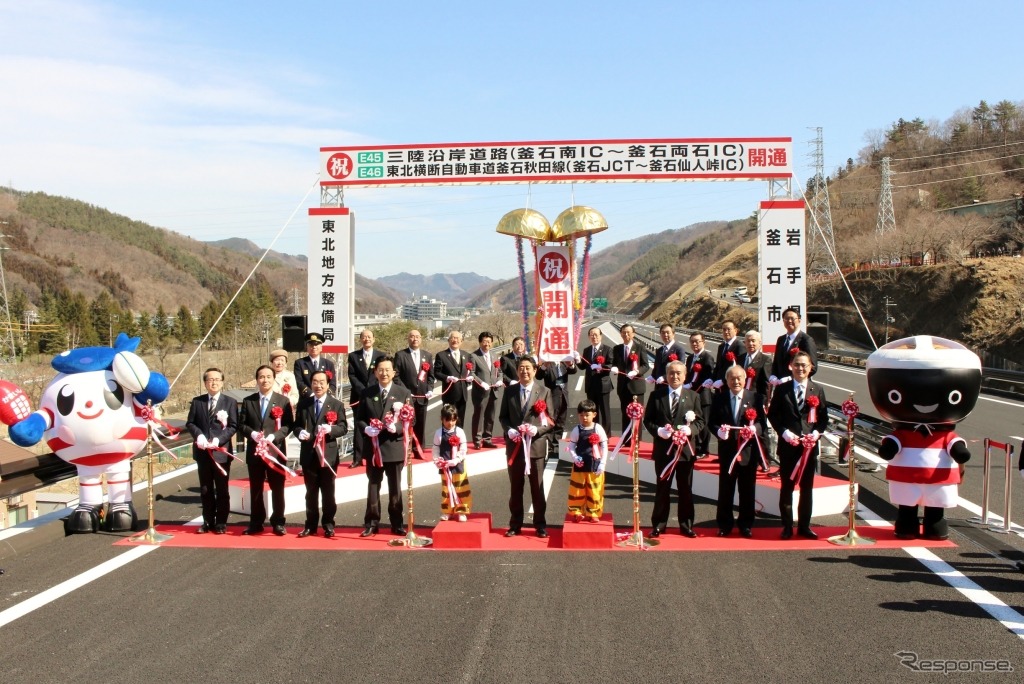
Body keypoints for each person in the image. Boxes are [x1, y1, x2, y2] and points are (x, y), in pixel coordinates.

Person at [768, 351, 828, 539]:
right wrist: (784, 433)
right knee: (787, 487)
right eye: (797, 365)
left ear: (811, 368)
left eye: (804, 365)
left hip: (808, 448)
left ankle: (804, 526)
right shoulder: (782, 389)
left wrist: (816, 434)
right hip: (788, 446)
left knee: (807, 488)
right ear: (790, 366)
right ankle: (787, 526)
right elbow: (773, 415)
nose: (800, 368)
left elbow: (823, 418)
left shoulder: (817, 390)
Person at [644, 360, 704, 538]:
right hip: (664, 450)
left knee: (685, 489)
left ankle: (686, 525)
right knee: (662, 488)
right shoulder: (657, 396)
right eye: (671, 373)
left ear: (685, 376)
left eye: (678, 373)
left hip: (685, 452)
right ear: (666, 375)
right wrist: (658, 431)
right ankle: (659, 525)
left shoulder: (693, 396)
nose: (675, 376)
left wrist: (690, 430)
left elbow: (700, 421)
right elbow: (648, 420)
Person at [355, 356, 413, 537]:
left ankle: (397, 523)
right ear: (375, 372)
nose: (384, 373)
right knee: (373, 486)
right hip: (373, 447)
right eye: (380, 370)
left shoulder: (403, 393)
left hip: (393, 446)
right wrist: (367, 429)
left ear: (394, 372)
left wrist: (395, 428)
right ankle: (372, 522)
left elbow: (412, 420)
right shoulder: (366, 392)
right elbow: (360, 419)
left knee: (395, 487)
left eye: (388, 370)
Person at [498, 356, 553, 538]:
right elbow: (503, 417)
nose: (525, 371)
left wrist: (535, 429)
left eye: (528, 368)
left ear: (535, 370)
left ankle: (540, 524)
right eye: (521, 368)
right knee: (516, 488)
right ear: (517, 370)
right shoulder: (510, 391)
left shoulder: (544, 391)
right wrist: (509, 431)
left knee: (537, 488)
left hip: (535, 447)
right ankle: (515, 524)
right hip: (514, 447)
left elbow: (550, 420)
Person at [709, 365, 766, 538]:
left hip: (748, 452)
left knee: (747, 489)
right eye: (732, 378)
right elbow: (712, 422)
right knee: (726, 489)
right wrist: (719, 431)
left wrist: (754, 429)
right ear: (726, 380)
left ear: (745, 379)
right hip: (727, 451)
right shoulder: (719, 398)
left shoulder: (755, 398)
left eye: (739, 378)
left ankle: (746, 524)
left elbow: (762, 423)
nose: (736, 381)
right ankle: (724, 524)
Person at [239, 365, 295, 536]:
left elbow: (288, 425)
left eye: (269, 377)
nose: (265, 380)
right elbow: (241, 425)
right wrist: (253, 434)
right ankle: (256, 522)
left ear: (273, 379)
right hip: (255, 452)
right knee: (256, 488)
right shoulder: (249, 401)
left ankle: (278, 522)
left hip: (275, 451)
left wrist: (275, 437)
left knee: (277, 488)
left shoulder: (283, 401)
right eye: (261, 377)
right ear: (257, 380)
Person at [292, 369, 348, 538]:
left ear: (328, 384)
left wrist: (331, 429)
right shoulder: (304, 404)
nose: (318, 385)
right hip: (309, 454)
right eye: (315, 382)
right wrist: (300, 432)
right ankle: (310, 525)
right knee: (310, 493)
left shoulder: (336, 404)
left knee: (328, 493)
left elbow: (343, 427)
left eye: (322, 382)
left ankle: (329, 524)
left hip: (328, 455)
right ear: (311, 383)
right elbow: (296, 425)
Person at [185, 368, 238, 534]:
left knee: (222, 489)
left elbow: (233, 426)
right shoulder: (197, 402)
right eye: (210, 379)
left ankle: (221, 522)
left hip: (221, 452)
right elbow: (190, 423)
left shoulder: (230, 402)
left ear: (222, 382)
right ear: (205, 383)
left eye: (217, 379)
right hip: (202, 452)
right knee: (205, 488)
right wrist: (199, 436)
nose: (213, 382)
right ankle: (207, 521)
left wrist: (219, 439)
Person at [566, 400, 608, 523]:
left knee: (594, 489)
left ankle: (593, 512)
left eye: (587, 415)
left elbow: (604, 446)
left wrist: (603, 463)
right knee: (577, 489)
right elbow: (572, 446)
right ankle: (577, 512)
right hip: (580, 465)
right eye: (581, 415)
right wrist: (575, 458)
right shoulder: (576, 430)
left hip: (595, 465)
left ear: (594, 415)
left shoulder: (598, 428)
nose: (584, 418)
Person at [347, 329, 384, 468]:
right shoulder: (353, 356)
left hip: (376, 395)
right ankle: (357, 458)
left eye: (369, 337)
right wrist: (363, 390)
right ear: (360, 339)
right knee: (359, 426)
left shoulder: (381, 355)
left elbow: (381, 374)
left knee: (377, 424)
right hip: (359, 396)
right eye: (364, 337)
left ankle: (378, 453)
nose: (367, 339)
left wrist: (372, 390)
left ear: (374, 339)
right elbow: (352, 375)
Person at [394, 328, 434, 453]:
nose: (415, 339)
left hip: (422, 396)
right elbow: (396, 376)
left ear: (421, 339)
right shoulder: (400, 355)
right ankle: (407, 447)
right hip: (407, 396)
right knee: (407, 423)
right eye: (412, 336)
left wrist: (430, 389)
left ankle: (420, 447)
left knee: (421, 422)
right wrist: (405, 391)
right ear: (408, 339)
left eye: (417, 336)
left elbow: (431, 376)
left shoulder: (427, 355)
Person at [432, 404, 472, 522]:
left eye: (453, 420)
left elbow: (464, 448)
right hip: (445, 466)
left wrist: (457, 459)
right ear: (442, 419)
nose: (450, 423)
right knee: (446, 488)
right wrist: (437, 460)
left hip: (458, 464)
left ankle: (462, 510)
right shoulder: (438, 433)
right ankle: (447, 511)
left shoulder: (459, 431)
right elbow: (435, 449)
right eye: (447, 420)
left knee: (461, 487)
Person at [611, 324, 650, 435]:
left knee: (637, 414)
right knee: (625, 414)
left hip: (636, 387)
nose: (626, 335)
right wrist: (614, 368)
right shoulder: (617, 348)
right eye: (623, 332)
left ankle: (636, 440)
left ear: (633, 334)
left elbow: (645, 365)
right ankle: (625, 439)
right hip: (623, 387)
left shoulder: (639, 347)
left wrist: (637, 372)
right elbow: (614, 364)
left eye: (628, 332)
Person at [685, 332, 715, 459]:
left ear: (704, 342)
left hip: (703, 396)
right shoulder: (690, 358)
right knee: (694, 420)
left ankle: (704, 449)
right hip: (692, 395)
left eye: (697, 341)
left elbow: (708, 376)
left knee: (704, 423)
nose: (695, 344)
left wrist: (693, 384)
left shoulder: (707, 357)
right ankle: (696, 447)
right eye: (692, 341)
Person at [470, 331, 503, 449]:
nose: (487, 344)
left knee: (491, 416)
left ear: (492, 343)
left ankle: (488, 438)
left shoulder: (494, 355)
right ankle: (477, 440)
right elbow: (471, 373)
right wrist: (481, 383)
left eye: (489, 342)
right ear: (480, 342)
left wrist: (500, 379)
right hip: (481, 392)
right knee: (479, 416)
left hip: (494, 391)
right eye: (484, 341)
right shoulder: (474, 356)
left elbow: (499, 371)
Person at [769, 308, 818, 383]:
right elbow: (776, 362)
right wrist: (773, 376)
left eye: (792, 318)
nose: (789, 321)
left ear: (799, 320)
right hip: (780, 386)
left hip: (797, 385)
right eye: (786, 319)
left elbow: (813, 367)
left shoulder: (806, 340)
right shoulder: (781, 339)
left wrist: (791, 378)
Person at [539, 358, 577, 456]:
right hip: (552, 396)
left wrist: (571, 364)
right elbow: (539, 376)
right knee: (552, 421)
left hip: (563, 396)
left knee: (561, 421)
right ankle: (550, 446)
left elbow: (573, 371)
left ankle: (557, 444)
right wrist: (544, 366)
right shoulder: (547, 364)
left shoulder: (564, 362)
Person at [434, 330, 471, 428]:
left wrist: (470, 377)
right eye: (453, 338)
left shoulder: (466, 355)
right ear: (449, 340)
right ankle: (447, 441)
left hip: (463, 395)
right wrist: (447, 378)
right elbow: (436, 373)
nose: (455, 340)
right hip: (449, 394)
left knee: (460, 420)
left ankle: (459, 440)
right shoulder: (441, 355)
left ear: (461, 341)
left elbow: (470, 370)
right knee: (448, 420)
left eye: (458, 338)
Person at [581, 326, 613, 430]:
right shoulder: (587, 350)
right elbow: (583, 366)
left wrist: (601, 367)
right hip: (590, 386)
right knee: (592, 411)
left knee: (605, 411)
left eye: (596, 335)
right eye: (591, 335)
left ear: (601, 336)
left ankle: (606, 435)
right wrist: (577, 360)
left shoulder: (607, 349)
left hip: (603, 385)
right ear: (589, 337)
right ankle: (593, 432)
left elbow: (611, 365)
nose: (594, 337)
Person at [294, 332, 338, 399]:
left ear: (321, 347)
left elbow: (333, 384)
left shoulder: (329, 364)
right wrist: (311, 394)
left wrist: (325, 395)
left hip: (325, 399)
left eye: (316, 345)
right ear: (307, 347)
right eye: (311, 345)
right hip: (307, 399)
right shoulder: (300, 363)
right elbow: (299, 382)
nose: (314, 347)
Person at [712, 320, 743, 387]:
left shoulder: (739, 346)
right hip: (718, 385)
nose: (726, 332)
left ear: (735, 330)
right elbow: (718, 366)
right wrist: (712, 379)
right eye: (724, 329)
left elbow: (740, 368)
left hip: (731, 385)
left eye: (729, 329)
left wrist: (723, 381)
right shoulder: (721, 346)